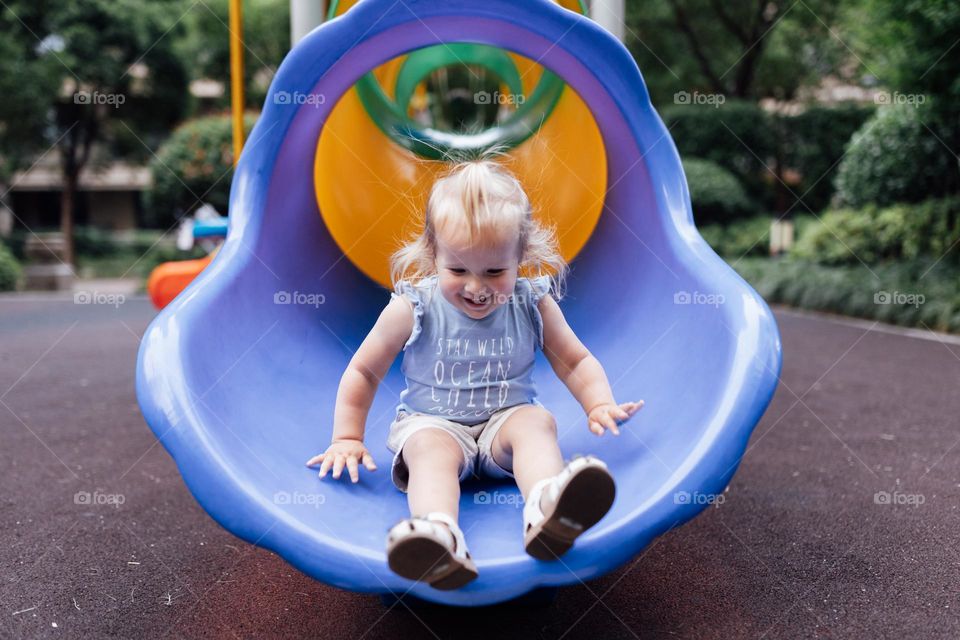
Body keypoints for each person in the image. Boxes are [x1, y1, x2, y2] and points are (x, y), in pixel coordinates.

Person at [306, 158, 643, 590]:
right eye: (459, 270)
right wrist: (347, 437)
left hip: (505, 422)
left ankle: (548, 508)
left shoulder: (531, 302)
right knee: (428, 451)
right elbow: (364, 370)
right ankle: (439, 537)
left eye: (495, 271)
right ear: (434, 256)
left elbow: (574, 360)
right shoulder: (415, 306)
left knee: (535, 423)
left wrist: (598, 402)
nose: (476, 287)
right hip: (435, 422)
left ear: (520, 256)